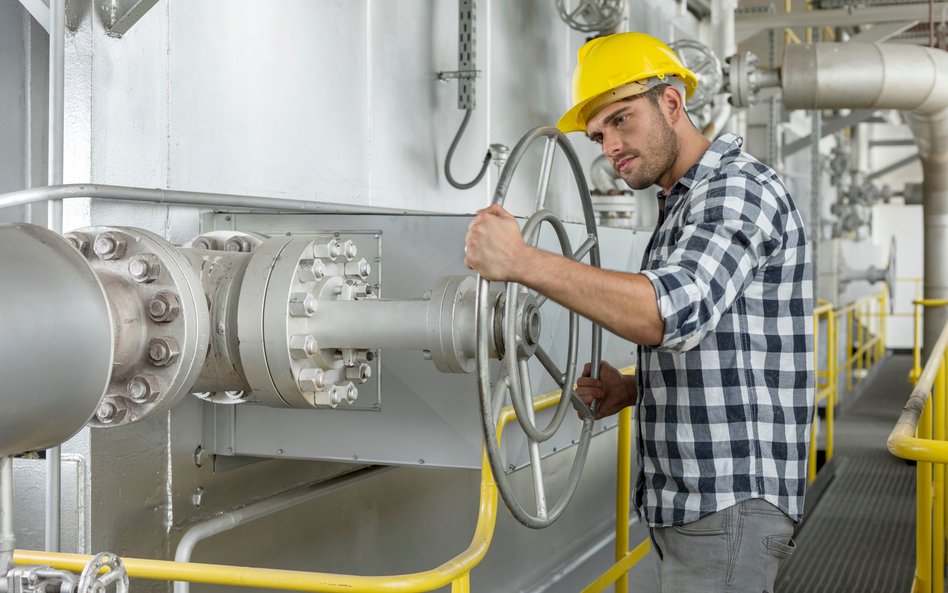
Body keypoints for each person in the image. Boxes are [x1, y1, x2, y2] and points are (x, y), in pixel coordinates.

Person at [464, 32, 814, 593]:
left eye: (621, 120)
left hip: (724, 500)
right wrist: (633, 388)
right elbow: (724, 345)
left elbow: (667, 313)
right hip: (696, 502)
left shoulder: (736, 190)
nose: (610, 147)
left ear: (671, 103)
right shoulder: (685, 203)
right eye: (599, 135)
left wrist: (522, 261)